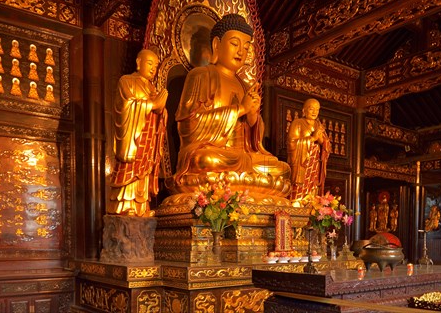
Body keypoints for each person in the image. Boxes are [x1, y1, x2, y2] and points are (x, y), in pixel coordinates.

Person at [169, 14, 291, 206]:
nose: (240, 51)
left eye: (246, 46)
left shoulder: (243, 84)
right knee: (206, 160)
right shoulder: (201, 75)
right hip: (213, 154)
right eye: (235, 43)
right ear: (217, 45)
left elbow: (254, 141)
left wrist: (252, 117)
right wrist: (240, 109)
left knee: (281, 169)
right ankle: (233, 186)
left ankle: (240, 184)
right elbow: (188, 125)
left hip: (242, 158)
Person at [107, 49, 168, 217]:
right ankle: (126, 207)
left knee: (145, 171)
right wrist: (152, 105)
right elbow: (126, 107)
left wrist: (161, 110)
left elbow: (157, 110)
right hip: (133, 138)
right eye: (149, 64)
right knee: (131, 170)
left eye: (155, 66)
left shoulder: (152, 87)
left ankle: (141, 208)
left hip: (149, 137)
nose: (153, 69)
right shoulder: (127, 81)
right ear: (138, 62)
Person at [287, 98, 331, 206]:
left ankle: (312, 204)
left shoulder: (319, 126)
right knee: (300, 185)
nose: (314, 112)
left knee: (313, 185)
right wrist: (312, 138)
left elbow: (327, 145)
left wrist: (321, 141)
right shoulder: (297, 123)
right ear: (304, 110)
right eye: (311, 109)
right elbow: (291, 143)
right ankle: (297, 202)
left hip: (315, 162)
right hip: (301, 163)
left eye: (317, 109)